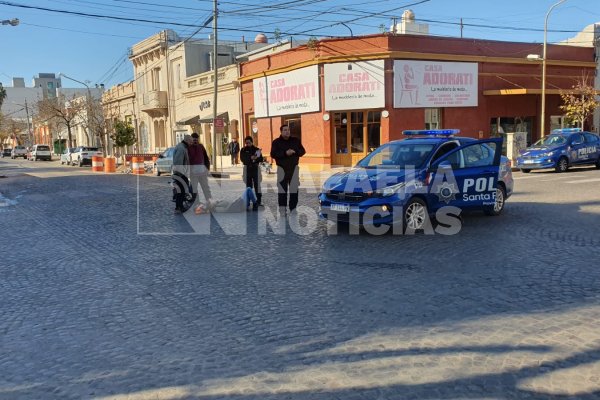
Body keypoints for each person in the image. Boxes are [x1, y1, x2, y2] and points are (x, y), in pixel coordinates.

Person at [270, 125, 306, 214]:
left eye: (288, 130)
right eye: (285, 130)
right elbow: (273, 154)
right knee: (282, 191)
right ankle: (283, 210)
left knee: (294, 190)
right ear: (281, 131)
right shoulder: (276, 142)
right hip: (282, 170)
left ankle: (293, 208)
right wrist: (285, 153)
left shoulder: (295, 140)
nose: (287, 132)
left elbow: (303, 151)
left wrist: (295, 151)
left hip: (294, 169)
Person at [188, 132, 212, 206]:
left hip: (202, 173)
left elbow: (206, 158)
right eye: (194, 140)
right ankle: (196, 203)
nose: (195, 141)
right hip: (193, 174)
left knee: (206, 188)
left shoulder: (201, 147)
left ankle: (210, 202)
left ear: (198, 140)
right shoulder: (188, 148)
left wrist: (207, 169)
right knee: (194, 189)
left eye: (196, 140)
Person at [239, 136, 263, 211]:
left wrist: (256, 158)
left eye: (249, 142)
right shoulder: (243, 150)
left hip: (255, 169)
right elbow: (243, 159)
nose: (247, 144)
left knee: (257, 185)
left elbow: (261, 159)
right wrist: (250, 158)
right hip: (247, 169)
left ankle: (258, 201)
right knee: (248, 186)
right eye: (246, 143)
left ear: (252, 142)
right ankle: (248, 202)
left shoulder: (257, 150)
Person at [172, 134, 193, 214]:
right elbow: (178, 162)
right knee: (180, 191)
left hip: (181, 173)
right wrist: (180, 175)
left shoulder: (183, 147)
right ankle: (178, 207)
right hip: (180, 173)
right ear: (187, 141)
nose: (191, 144)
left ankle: (180, 206)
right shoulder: (181, 148)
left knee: (182, 191)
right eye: (190, 142)